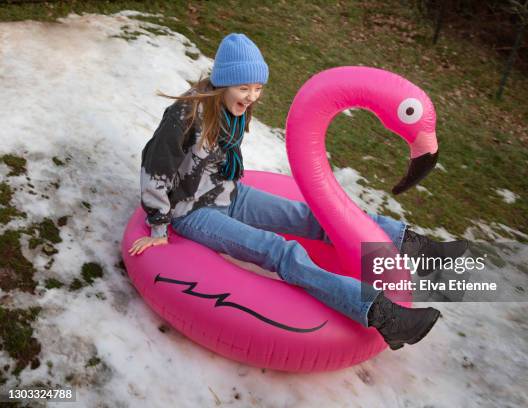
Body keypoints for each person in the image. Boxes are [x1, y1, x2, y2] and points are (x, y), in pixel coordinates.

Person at [129, 33, 468, 350]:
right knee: (278, 251)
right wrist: (159, 224)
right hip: (191, 211)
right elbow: (154, 168)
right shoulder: (187, 115)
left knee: (317, 218)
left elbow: (221, 161)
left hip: (228, 193)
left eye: (258, 88)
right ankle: (382, 314)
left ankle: (412, 243)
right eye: (244, 87)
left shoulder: (233, 111)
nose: (251, 96)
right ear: (223, 82)